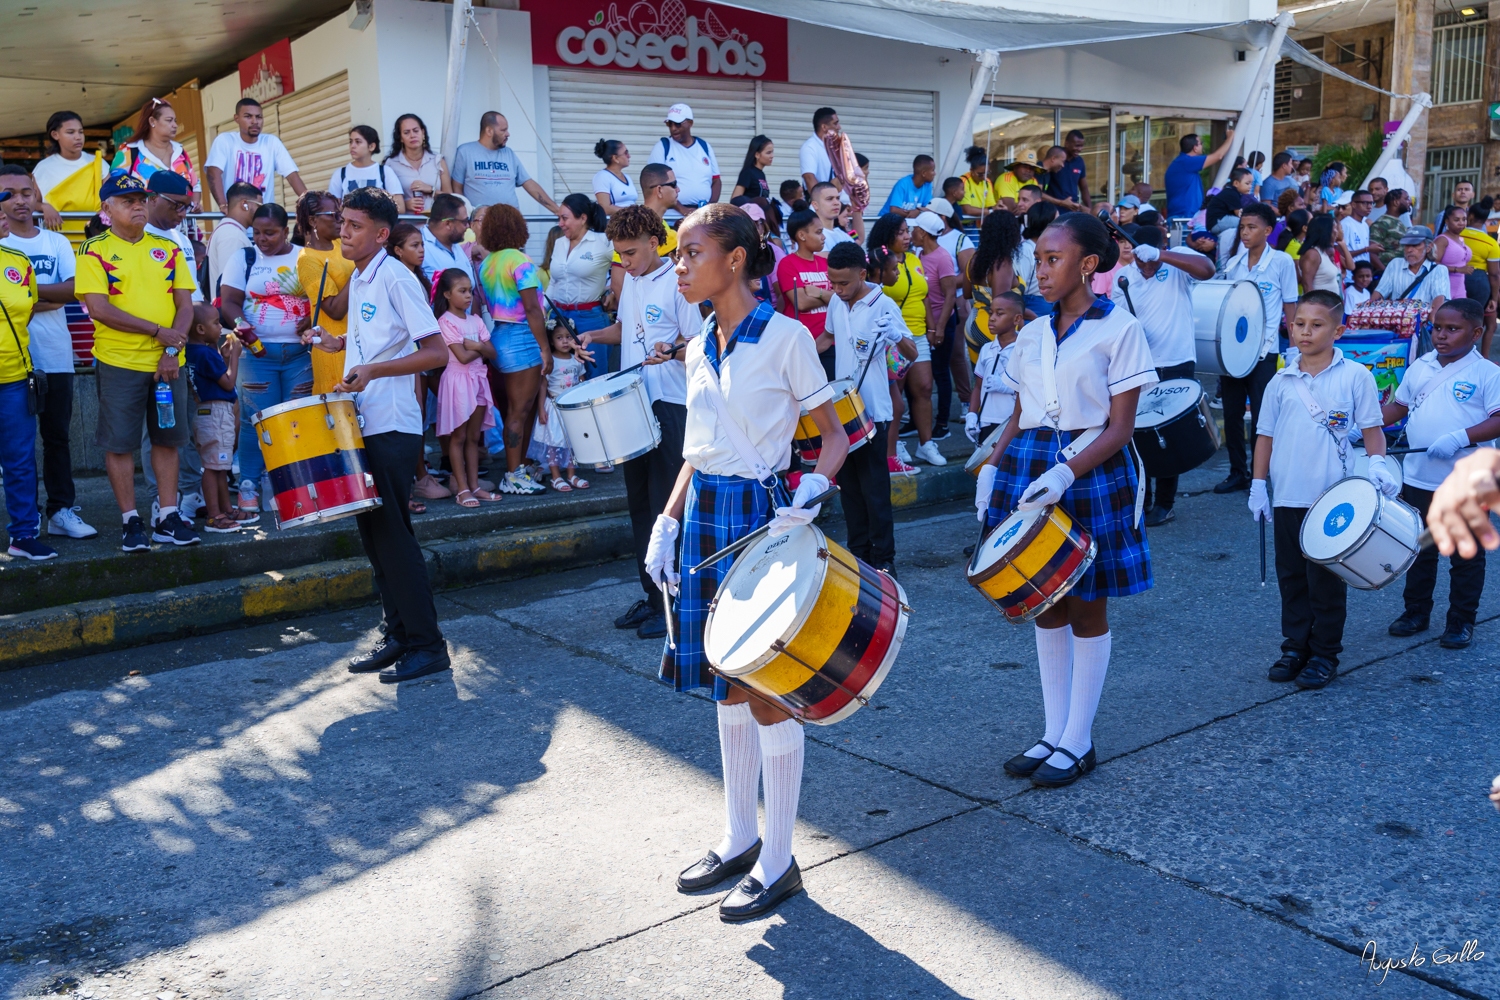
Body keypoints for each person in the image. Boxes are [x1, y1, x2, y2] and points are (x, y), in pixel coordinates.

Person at [648, 203, 847, 922]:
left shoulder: (787, 336)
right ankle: (739, 835)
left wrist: (816, 487)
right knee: (724, 686)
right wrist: (666, 524)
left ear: (734, 259)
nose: (679, 265)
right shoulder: (700, 344)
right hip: (704, 517)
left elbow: (836, 436)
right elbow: (696, 455)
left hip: (764, 518)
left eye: (690, 252)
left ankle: (780, 857)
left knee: (767, 687)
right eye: (676, 254)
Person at [975, 212, 1156, 788]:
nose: (1042, 271)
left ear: (1088, 265)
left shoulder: (1119, 327)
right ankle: (1053, 733)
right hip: (1029, 465)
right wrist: (992, 463)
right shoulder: (1029, 333)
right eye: (1039, 260)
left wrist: (1064, 474)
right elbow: (1023, 412)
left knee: (1087, 603)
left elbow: (1121, 427)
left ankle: (1079, 739)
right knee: (1043, 601)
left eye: (1054, 260)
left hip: (1091, 469)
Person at [303, 188, 451, 682]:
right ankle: (399, 634)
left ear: (382, 234)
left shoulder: (396, 277)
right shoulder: (362, 276)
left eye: (354, 225)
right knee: (374, 537)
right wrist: (336, 342)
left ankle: (428, 645)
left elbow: (435, 352)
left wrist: (373, 371)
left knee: (394, 539)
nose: (342, 231)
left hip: (392, 424)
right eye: (342, 222)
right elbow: (378, 336)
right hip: (362, 420)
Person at [1249, 289, 1393, 690]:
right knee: (1291, 576)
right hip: (1288, 496)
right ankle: (1295, 647)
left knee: (1325, 581)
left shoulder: (1356, 377)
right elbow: (1264, 436)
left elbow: (1372, 432)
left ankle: (1325, 654)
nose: (1305, 332)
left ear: (1339, 329)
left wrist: (1378, 463)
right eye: (1299, 324)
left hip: (1334, 499)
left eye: (1317, 325)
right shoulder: (1280, 380)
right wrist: (1259, 486)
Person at [577, 206, 692, 639]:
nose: (625, 262)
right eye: (619, 255)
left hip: (671, 403)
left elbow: (699, 340)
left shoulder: (679, 283)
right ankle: (652, 595)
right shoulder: (632, 282)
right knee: (639, 502)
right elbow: (625, 330)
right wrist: (591, 335)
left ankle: (677, 602)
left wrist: (672, 349)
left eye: (630, 252)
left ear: (653, 241)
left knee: (668, 507)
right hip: (634, 402)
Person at [76, 172, 198, 552]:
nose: (137, 205)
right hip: (119, 362)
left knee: (168, 440)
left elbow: (185, 305)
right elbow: (99, 309)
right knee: (120, 444)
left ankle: (167, 515)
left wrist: (171, 350)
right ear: (106, 209)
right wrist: (158, 332)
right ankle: (131, 521)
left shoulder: (169, 248)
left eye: (142, 199)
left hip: (167, 363)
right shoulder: (94, 250)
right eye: (127, 200)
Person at [1379, 298, 1500, 649]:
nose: (1442, 336)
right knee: (1420, 549)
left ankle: (1461, 620)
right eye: (1438, 327)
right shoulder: (1420, 366)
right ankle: (1416, 612)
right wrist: (1364, 425)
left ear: (1476, 333)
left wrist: (1461, 437)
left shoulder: (1487, 374)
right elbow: (1399, 407)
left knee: (1465, 554)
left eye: (1453, 329)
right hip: (1418, 476)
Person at [0, 168, 93, 541]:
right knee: (16, 450)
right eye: (9, 194)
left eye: (27, 192)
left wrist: (27, 297)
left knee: (56, 437)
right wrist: (41, 297)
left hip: (54, 354)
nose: (20, 201)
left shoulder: (54, 243)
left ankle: (60, 510)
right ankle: (25, 519)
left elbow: (74, 291)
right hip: (12, 362)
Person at [1108, 225, 1215, 526]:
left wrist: (1161, 255)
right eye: (1140, 260)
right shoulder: (1124, 277)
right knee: (1139, 433)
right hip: (1140, 364)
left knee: (1169, 433)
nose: (1146, 266)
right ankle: (1144, 499)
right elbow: (1118, 320)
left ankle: (1165, 504)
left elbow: (1207, 268)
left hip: (1177, 360)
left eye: (1149, 259)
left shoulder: (1176, 259)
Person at [825, 241, 912, 574]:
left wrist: (894, 335)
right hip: (842, 411)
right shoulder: (836, 301)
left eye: (844, 283)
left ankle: (884, 558)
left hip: (874, 410)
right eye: (833, 283)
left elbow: (912, 354)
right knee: (849, 488)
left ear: (862, 274)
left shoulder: (884, 304)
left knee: (875, 490)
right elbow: (828, 339)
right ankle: (858, 554)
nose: (838, 289)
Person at [220, 203, 310, 514]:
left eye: (270, 233)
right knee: (254, 421)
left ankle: (294, 488)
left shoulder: (304, 256)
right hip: (257, 356)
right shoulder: (243, 258)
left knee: (295, 421)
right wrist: (246, 333)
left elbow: (321, 297)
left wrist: (311, 317)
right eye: (256, 232)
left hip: (302, 355)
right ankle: (248, 486)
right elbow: (228, 303)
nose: (262, 239)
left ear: (286, 231)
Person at [1217, 203, 1299, 494]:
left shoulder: (1281, 263)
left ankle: (1259, 475)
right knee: (1232, 412)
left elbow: (1291, 306)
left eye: (1251, 227)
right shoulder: (1234, 264)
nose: (1245, 233)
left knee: (1262, 415)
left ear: (1268, 230)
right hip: (1233, 351)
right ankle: (1237, 471)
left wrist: (1294, 347)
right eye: (1242, 227)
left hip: (1264, 351)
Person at [141, 171, 206, 524]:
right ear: (151, 198)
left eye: (187, 207)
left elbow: (191, 301)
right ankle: (159, 501)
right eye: (177, 205)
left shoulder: (179, 239)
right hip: (147, 353)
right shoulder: (137, 238)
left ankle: (188, 493)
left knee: (183, 427)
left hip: (182, 349)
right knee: (157, 429)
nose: (183, 212)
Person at [478, 204, 549, 495]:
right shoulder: (519, 260)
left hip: (500, 336)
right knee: (519, 411)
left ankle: (520, 467)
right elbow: (532, 308)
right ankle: (513, 474)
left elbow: (485, 302)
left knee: (519, 409)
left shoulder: (487, 263)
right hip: (523, 338)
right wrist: (545, 348)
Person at [0, 206, 56, 561]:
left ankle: (23, 534)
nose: (5, 218)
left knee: (20, 461)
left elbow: (29, 305)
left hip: (14, 380)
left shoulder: (18, 261)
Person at [868, 214, 941, 466]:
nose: (907, 236)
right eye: (900, 232)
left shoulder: (913, 259)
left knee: (923, 387)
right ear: (888, 235)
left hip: (918, 334)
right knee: (894, 396)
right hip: (890, 338)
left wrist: (932, 329)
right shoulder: (878, 260)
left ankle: (926, 444)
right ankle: (894, 445)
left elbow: (924, 296)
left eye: (907, 231)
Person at [432, 268, 499, 506]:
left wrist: (479, 347)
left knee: (474, 437)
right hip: (458, 383)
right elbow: (460, 357)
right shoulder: (445, 322)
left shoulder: (476, 320)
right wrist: (479, 347)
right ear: (448, 294)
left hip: (478, 381)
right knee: (458, 437)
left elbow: (492, 352)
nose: (469, 295)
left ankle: (475, 486)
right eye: (462, 291)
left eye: (470, 290)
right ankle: (461, 489)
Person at [185, 304, 251, 533]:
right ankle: (214, 516)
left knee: (219, 465)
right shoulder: (203, 353)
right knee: (213, 467)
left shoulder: (194, 351)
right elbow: (228, 382)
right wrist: (234, 356)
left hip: (204, 412)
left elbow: (215, 377)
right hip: (216, 414)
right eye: (216, 323)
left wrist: (222, 356)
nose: (221, 327)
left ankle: (225, 509)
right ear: (201, 329)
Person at [294, 191, 354, 394]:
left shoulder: (341, 243)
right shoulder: (307, 259)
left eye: (341, 214)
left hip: (354, 339)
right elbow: (334, 310)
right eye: (333, 214)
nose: (340, 220)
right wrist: (360, 271)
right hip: (332, 349)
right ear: (312, 220)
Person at [548, 193, 614, 378]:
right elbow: (555, 280)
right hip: (558, 318)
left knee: (595, 378)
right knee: (562, 376)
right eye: (559, 218)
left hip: (589, 318)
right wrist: (541, 310)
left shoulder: (603, 242)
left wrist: (613, 290)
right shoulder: (560, 243)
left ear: (583, 218)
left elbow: (624, 264)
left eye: (564, 218)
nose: (560, 223)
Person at [910, 211, 959, 440]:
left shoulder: (942, 257)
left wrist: (939, 328)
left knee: (940, 373)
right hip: (925, 323)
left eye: (914, 230)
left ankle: (942, 424)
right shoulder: (918, 254)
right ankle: (916, 421)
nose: (911, 233)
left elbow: (950, 294)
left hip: (943, 322)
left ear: (923, 232)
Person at [205, 98, 304, 210]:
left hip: (264, 219)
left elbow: (292, 176)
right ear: (236, 118)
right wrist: (223, 205)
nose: (255, 121)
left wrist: (309, 204)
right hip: (235, 219)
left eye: (259, 117)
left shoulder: (271, 142)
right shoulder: (225, 140)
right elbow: (213, 173)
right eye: (248, 116)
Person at [529, 322, 590, 493]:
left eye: (568, 337)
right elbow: (543, 385)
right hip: (555, 407)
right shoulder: (550, 361)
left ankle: (571, 475)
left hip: (572, 409)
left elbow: (582, 381)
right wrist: (541, 408)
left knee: (572, 443)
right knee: (554, 444)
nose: (564, 341)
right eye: (559, 337)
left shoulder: (577, 360)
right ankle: (556, 477)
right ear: (551, 340)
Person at [111, 98, 201, 207]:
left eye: (175, 121)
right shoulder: (130, 151)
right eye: (169, 120)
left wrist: (194, 205)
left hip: (182, 222)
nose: (175, 125)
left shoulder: (180, 151)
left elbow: (195, 185)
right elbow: (113, 187)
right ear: (152, 122)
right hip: (143, 222)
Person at [32, 111, 108, 231]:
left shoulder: (99, 163)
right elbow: (32, 202)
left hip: (96, 235)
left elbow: (112, 199)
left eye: (81, 132)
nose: (78, 137)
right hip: (58, 236)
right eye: (70, 132)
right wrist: (44, 207)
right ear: (55, 135)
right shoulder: (43, 168)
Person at [775, 210, 833, 359]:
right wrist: (829, 297)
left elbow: (841, 298)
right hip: (802, 344)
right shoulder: (787, 264)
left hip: (832, 342)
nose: (823, 237)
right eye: (819, 232)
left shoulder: (826, 263)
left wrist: (819, 293)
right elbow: (801, 302)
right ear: (802, 235)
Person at [966, 290, 1022, 443]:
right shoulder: (986, 349)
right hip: (987, 419)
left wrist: (1008, 386)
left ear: (1017, 319)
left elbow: (1033, 387)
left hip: (1013, 420)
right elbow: (978, 386)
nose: (992, 319)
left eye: (999, 314)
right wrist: (972, 415)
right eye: (991, 313)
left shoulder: (1024, 349)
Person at [653, 104, 720, 213]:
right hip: (672, 216)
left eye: (678, 124)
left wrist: (710, 208)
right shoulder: (663, 147)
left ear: (690, 123)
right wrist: (683, 210)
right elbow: (656, 183)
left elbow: (716, 180)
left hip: (703, 215)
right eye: (670, 124)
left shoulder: (704, 146)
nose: (673, 128)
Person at [384, 113, 450, 215]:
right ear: (400, 138)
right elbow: (385, 202)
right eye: (406, 132)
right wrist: (405, 205)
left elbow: (451, 198)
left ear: (423, 133)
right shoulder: (391, 164)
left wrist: (431, 189)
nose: (412, 135)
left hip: (435, 223)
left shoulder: (438, 160)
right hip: (405, 224)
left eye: (416, 131)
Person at [1372, 226, 1448, 313]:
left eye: (1415, 245)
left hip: (1423, 323)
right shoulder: (1395, 264)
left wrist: (1429, 324)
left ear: (1428, 247)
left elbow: (1438, 302)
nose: (1409, 250)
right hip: (1396, 321)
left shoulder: (1439, 270)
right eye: (1407, 245)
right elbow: (1379, 293)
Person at [1164, 129, 1236, 220]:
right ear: (1195, 148)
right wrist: (1230, 138)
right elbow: (1218, 156)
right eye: (1201, 143)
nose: (1202, 146)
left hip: (1184, 216)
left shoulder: (1182, 163)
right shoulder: (1186, 162)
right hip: (1184, 217)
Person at [328, 125, 405, 210]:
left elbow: (400, 207)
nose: (352, 146)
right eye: (351, 141)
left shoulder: (384, 171)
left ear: (371, 146)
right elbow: (333, 208)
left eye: (358, 142)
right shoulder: (340, 174)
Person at [208, 182, 260, 297]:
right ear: (244, 204)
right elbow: (230, 286)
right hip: (231, 313)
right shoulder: (232, 235)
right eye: (259, 206)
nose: (261, 212)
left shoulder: (229, 230)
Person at [419, 193, 476, 289]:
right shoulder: (419, 246)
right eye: (464, 222)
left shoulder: (454, 243)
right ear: (448, 223)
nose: (467, 226)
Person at [1434, 205, 1474, 301]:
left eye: (1464, 219)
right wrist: (1458, 269)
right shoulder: (1442, 240)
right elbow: (1433, 264)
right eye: (1456, 220)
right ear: (1447, 221)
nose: (1461, 223)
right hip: (1444, 289)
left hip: (1460, 289)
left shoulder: (1460, 239)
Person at [1297, 215, 1344, 296]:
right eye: (1335, 228)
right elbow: (1307, 285)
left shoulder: (1324, 252)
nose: (1337, 231)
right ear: (1325, 231)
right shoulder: (1312, 254)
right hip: (1320, 306)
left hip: (1331, 304)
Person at [1047, 130, 1090, 211]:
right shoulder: (1056, 158)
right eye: (1077, 145)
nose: (1080, 149)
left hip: (1072, 208)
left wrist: (1090, 209)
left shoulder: (1080, 161)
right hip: (1054, 209)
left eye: (1081, 146)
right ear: (1066, 143)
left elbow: (1084, 187)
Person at [799, 107, 840, 193]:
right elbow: (809, 178)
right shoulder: (810, 147)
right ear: (824, 127)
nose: (839, 127)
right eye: (835, 123)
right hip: (827, 203)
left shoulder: (834, 145)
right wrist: (822, 203)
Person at [592, 139, 636, 216]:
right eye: (626, 153)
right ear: (615, 158)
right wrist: (632, 212)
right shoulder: (603, 177)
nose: (629, 156)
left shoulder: (627, 177)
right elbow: (604, 208)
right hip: (616, 225)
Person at [806, 181, 854, 252]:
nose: (836, 203)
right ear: (815, 205)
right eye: (829, 199)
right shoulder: (811, 236)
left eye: (837, 198)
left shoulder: (843, 234)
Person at [957, 147, 996, 230]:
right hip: (961, 225)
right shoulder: (963, 181)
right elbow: (967, 210)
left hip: (977, 224)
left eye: (987, 173)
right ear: (971, 170)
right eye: (980, 174)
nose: (984, 177)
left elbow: (991, 206)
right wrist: (990, 211)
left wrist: (996, 208)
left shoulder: (987, 182)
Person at [1371, 189, 1412, 268]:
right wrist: (1384, 272)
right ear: (1396, 202)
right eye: (1406, 199)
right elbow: (1371, 252)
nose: (1409, 202)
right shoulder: (1382, 223)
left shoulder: (1399, 222)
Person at [1341, 189, 1378, 269]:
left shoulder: (1365, 225)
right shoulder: (1345, 224)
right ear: (1353, 205)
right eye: (1365, 203)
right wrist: (1367, 249)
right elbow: (1341, 253)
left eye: (1371, 203)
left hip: (1364, 275)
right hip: (1351, 275)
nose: (1369, 207)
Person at [731, 135, 773, 201]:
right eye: (768, 153)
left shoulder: (761, 174)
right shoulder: (748, 172)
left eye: (772, 152)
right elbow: (735, 199)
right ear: (757, 155)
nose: (772, 156)